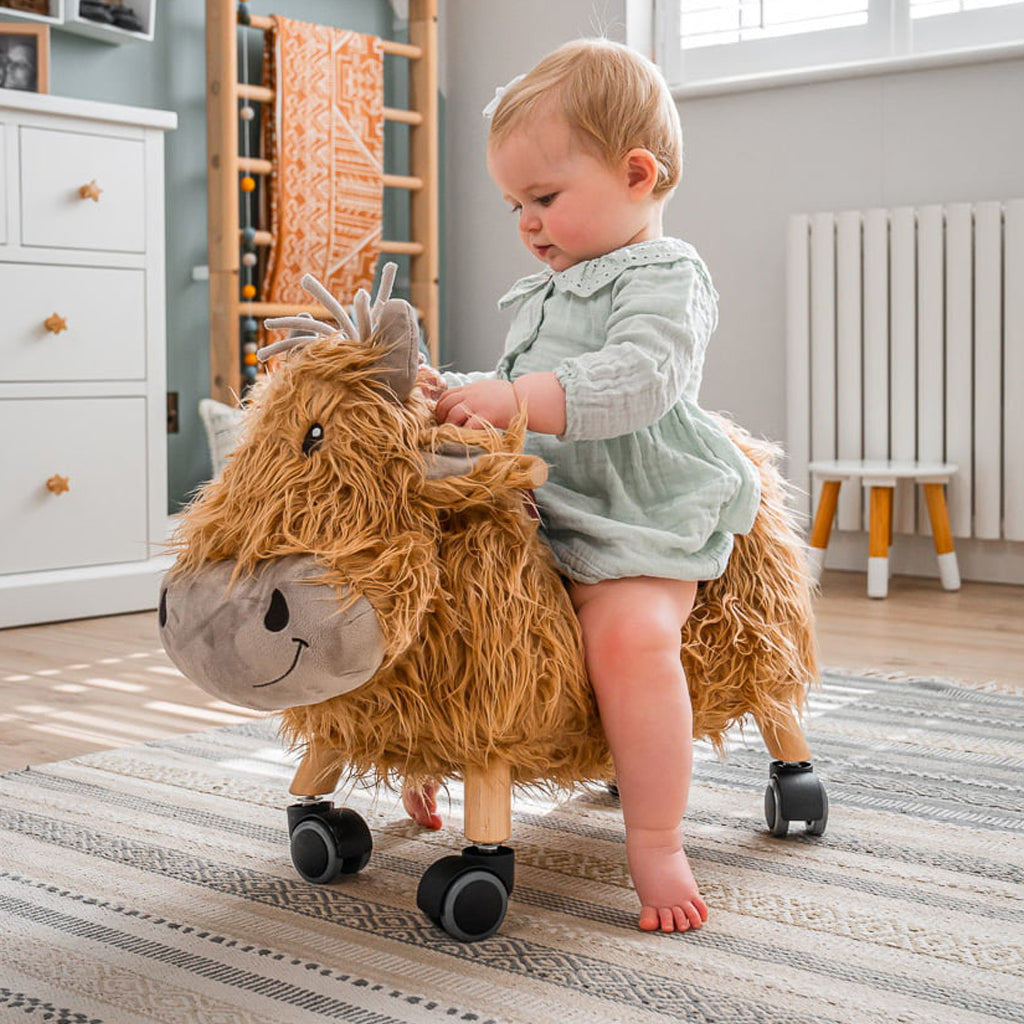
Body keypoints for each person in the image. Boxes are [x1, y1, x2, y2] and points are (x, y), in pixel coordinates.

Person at [405, 38, 761, 934]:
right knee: (433, 605)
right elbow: (517, 388)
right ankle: (414, 748)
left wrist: (515, 398)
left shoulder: (667, 278)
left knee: (633, 640)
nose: (526, 221)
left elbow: (638, 379)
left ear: (638, 173)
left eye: (545, 198)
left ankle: (656, 834)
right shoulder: (544, 289)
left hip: (636, 517)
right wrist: (456, 395)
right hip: (542, 511)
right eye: (515, 203)